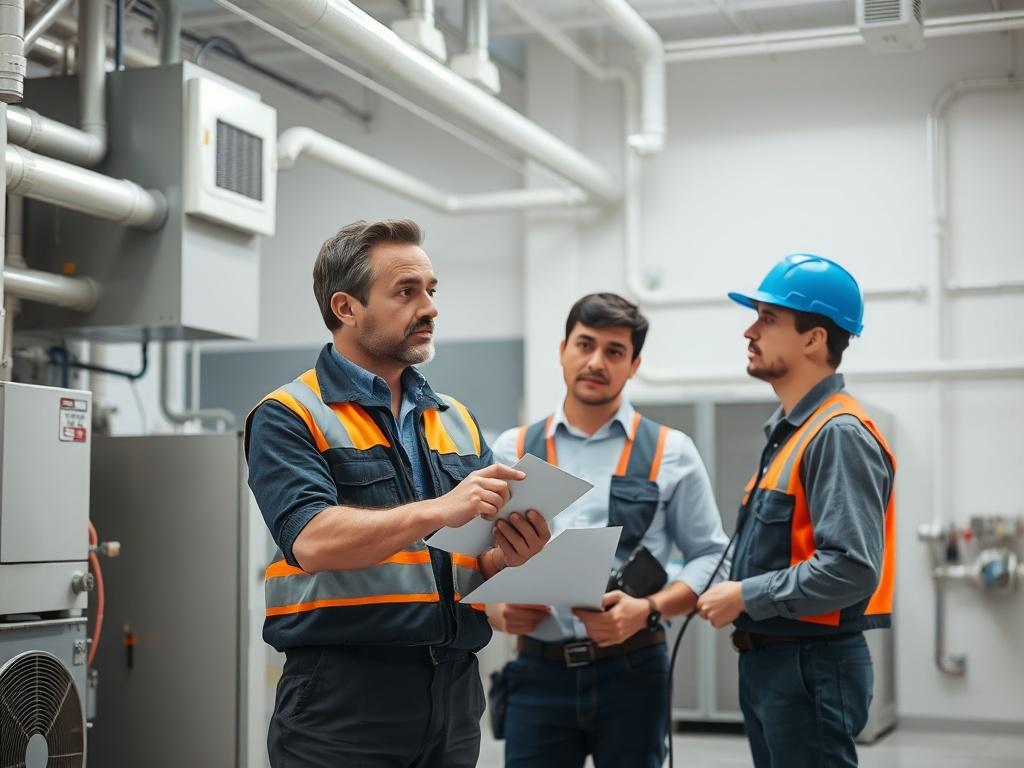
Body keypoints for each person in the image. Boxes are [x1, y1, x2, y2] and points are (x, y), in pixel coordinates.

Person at [244, 219, 551, 768]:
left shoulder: (455, 418)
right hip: (344, 699)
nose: (429, 306)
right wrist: (439, 510)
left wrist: (514, 553)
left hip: (454, 695)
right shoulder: (288, 415)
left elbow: (476, 557)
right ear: (346, 307)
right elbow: (311, 539)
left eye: (432, 290)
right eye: (406, 291)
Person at [488, 292, 729, 768]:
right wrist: (496, 609)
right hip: (537, 671)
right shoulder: (512, 448)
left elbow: (711, 556)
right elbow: (480, 555)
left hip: (634, 673)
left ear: (634, 364)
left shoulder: (672, 451)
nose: (596, 361)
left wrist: (648, 609)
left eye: (614, 351)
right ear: (562, 350)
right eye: (585, 344)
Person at [696, 253, 896, 768]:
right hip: (776, 660)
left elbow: (852, 568)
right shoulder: (792, 432)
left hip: (809, 662)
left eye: (767, 318)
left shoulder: (838, 434)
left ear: (814, 339)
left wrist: (744, 594)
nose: (749, 331)